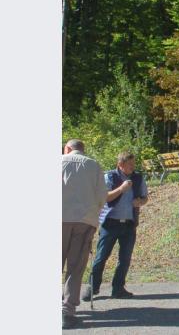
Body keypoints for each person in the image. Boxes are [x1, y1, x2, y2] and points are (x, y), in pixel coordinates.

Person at [83, 151, 149, 302]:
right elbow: (104, 197)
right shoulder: (110, 176)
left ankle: (118, 288)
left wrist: (140, 201)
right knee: (101, 257)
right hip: (110, 223)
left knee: (125, 259)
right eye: (129, 164)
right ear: (120, 164)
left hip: (129, 224)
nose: (133, 167)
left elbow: (145, 197)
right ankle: (93, 286)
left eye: (134, 163)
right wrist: (121, 189)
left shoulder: (138, 178)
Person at [62, 139, 107, 329]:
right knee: (75, 267)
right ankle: (67, 311)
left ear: (67, 149)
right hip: (84, 221)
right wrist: (93, 215)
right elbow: (102, 196)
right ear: (83, 149)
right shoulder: (94, 165)